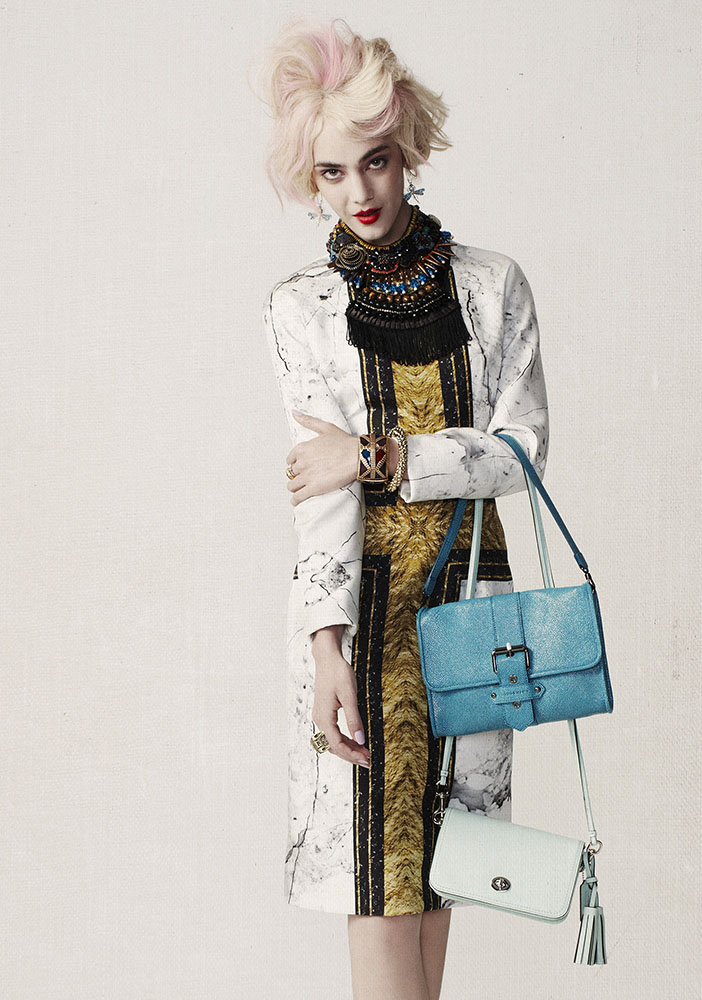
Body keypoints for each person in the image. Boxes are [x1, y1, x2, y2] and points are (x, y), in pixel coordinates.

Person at [258, 19, 548, 1000]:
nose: (359, 192)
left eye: (375, 162)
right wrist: (325, 645)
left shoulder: (491, 286)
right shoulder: (299, 308)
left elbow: (519, 454)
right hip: (367, 621)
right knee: (375, 886)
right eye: (332, 172)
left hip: (468, 608)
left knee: (440, 874)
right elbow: (318, 501)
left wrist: (377, 456)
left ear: (407, 153)